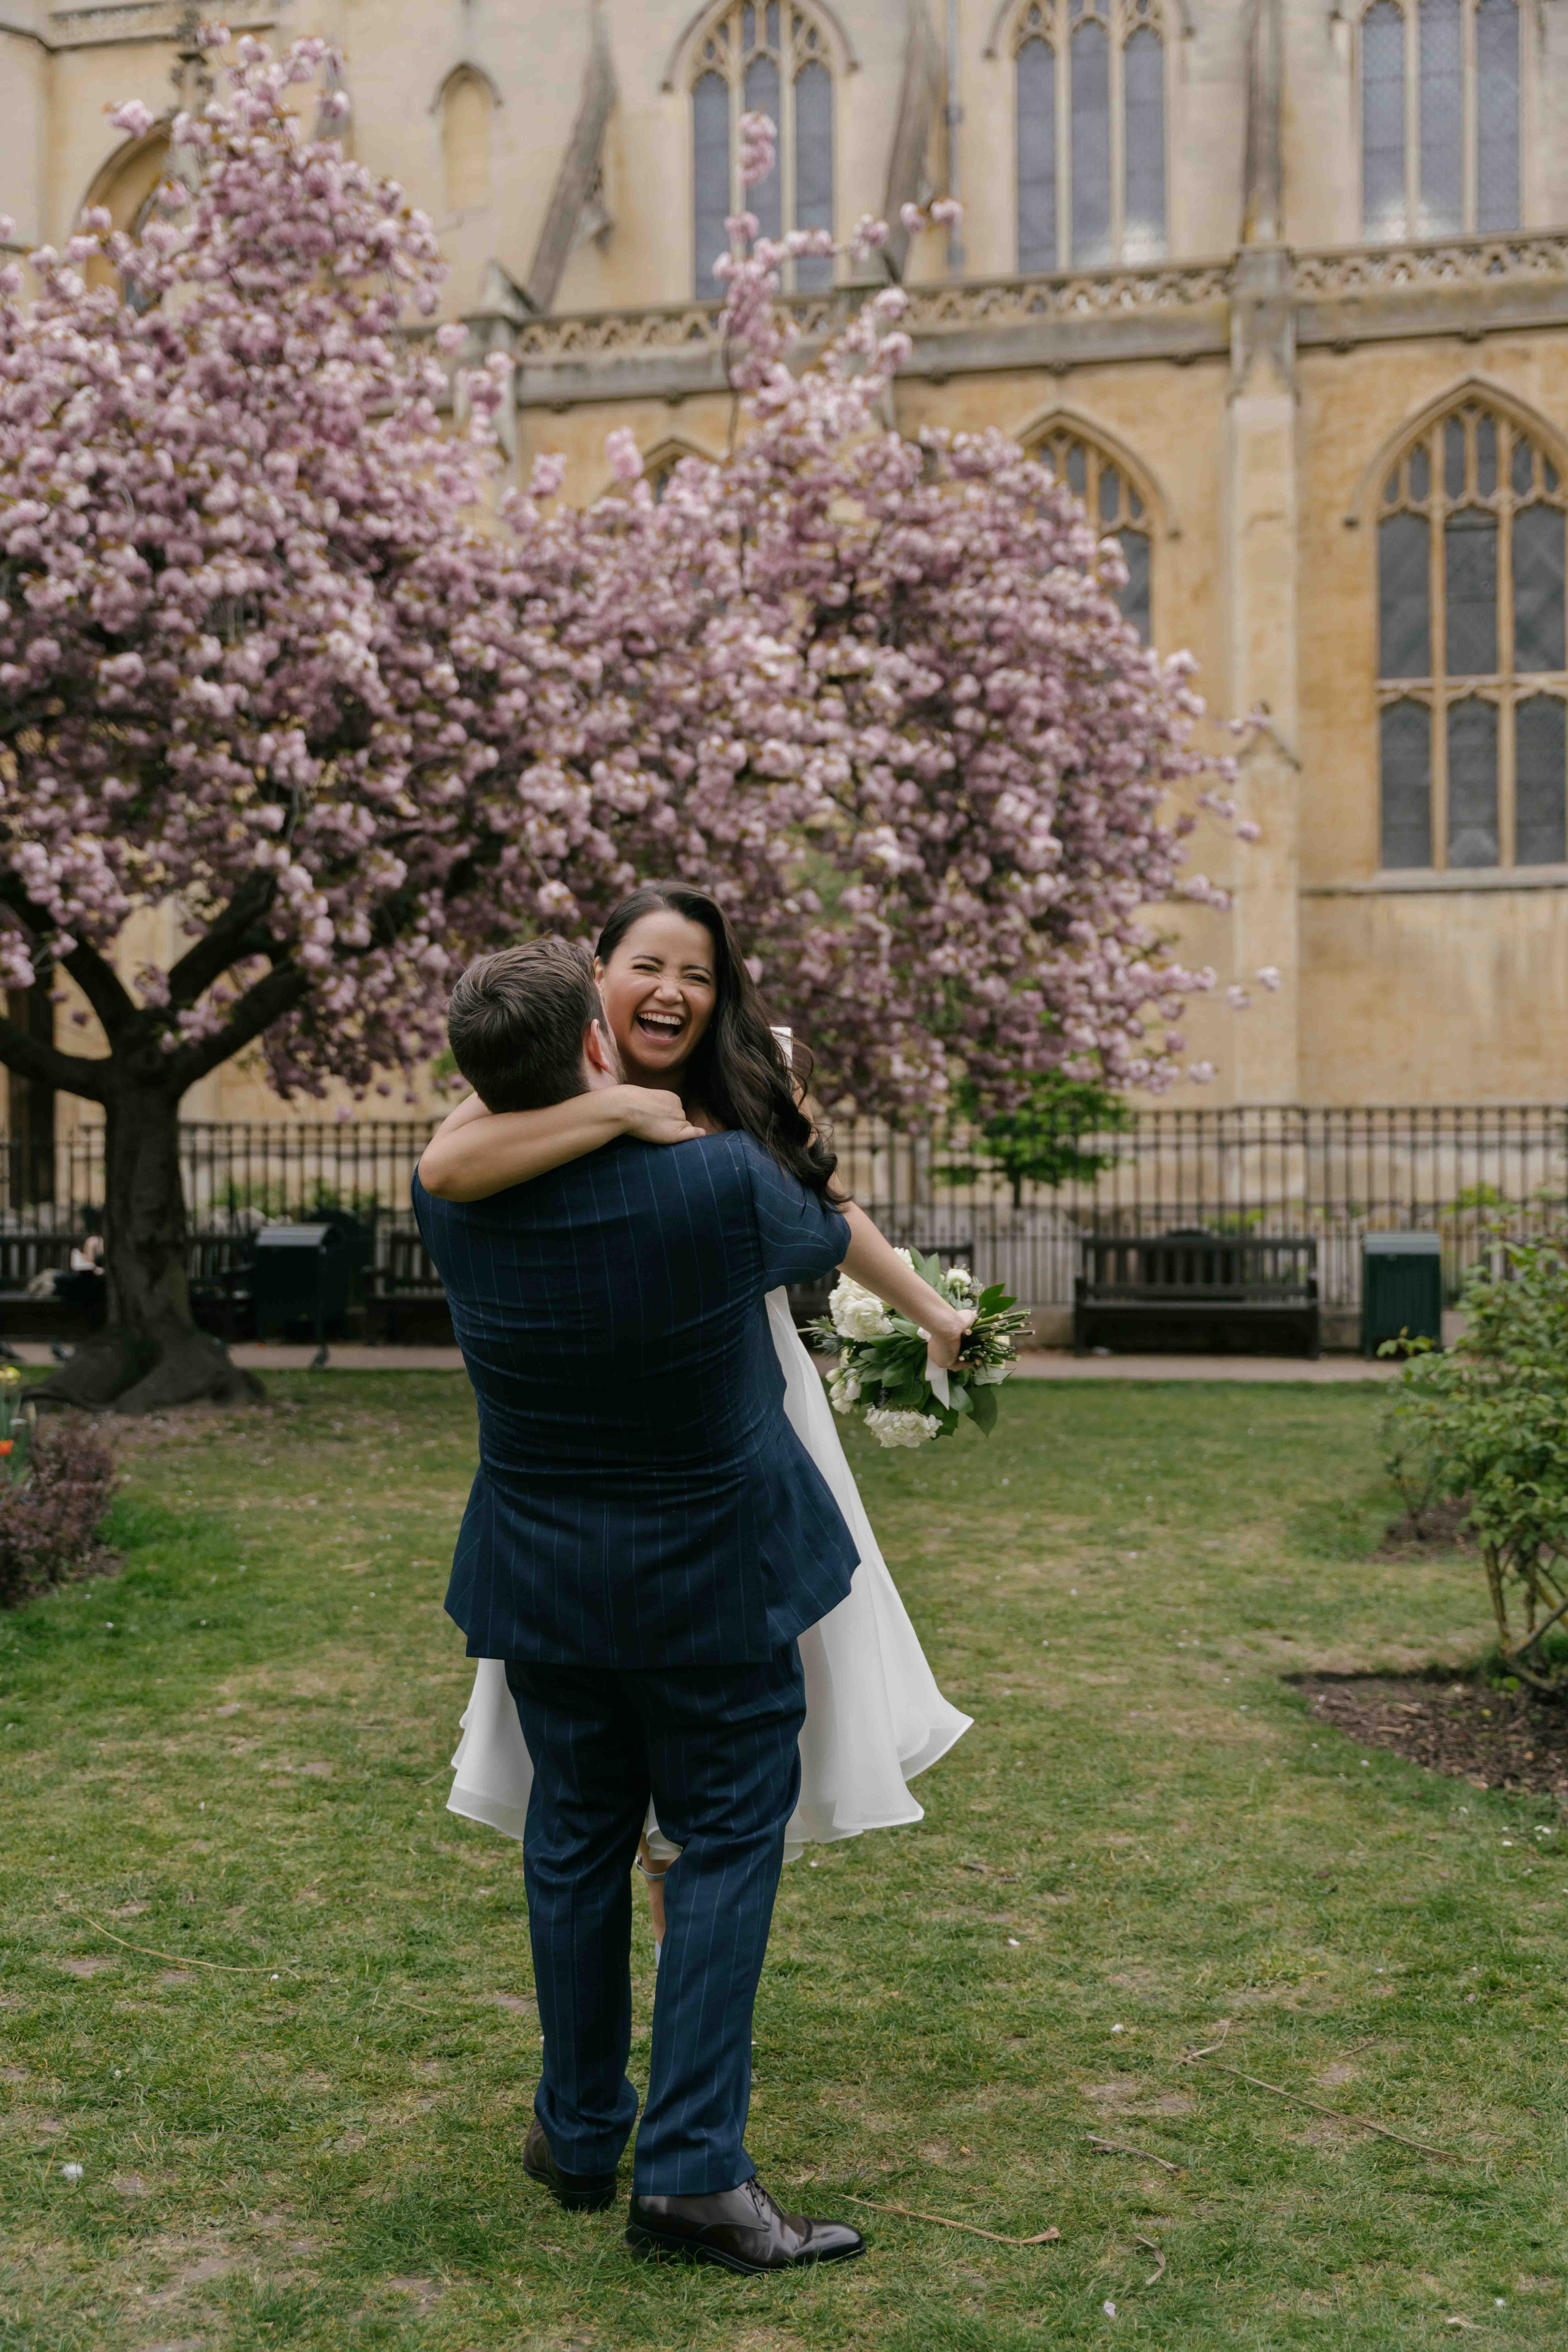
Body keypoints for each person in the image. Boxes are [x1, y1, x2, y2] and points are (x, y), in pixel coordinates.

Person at [412, 930, 970, 2274]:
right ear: (599, 1041)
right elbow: (817, 1218)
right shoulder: (721, 1182)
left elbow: (458, 1138)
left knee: (574, 1845)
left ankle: (581, 2129)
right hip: (715, 1578)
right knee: (724, 1846)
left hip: (543, 1574)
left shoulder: (450, 1194)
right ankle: (693, 2177)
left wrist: (584, 1094)